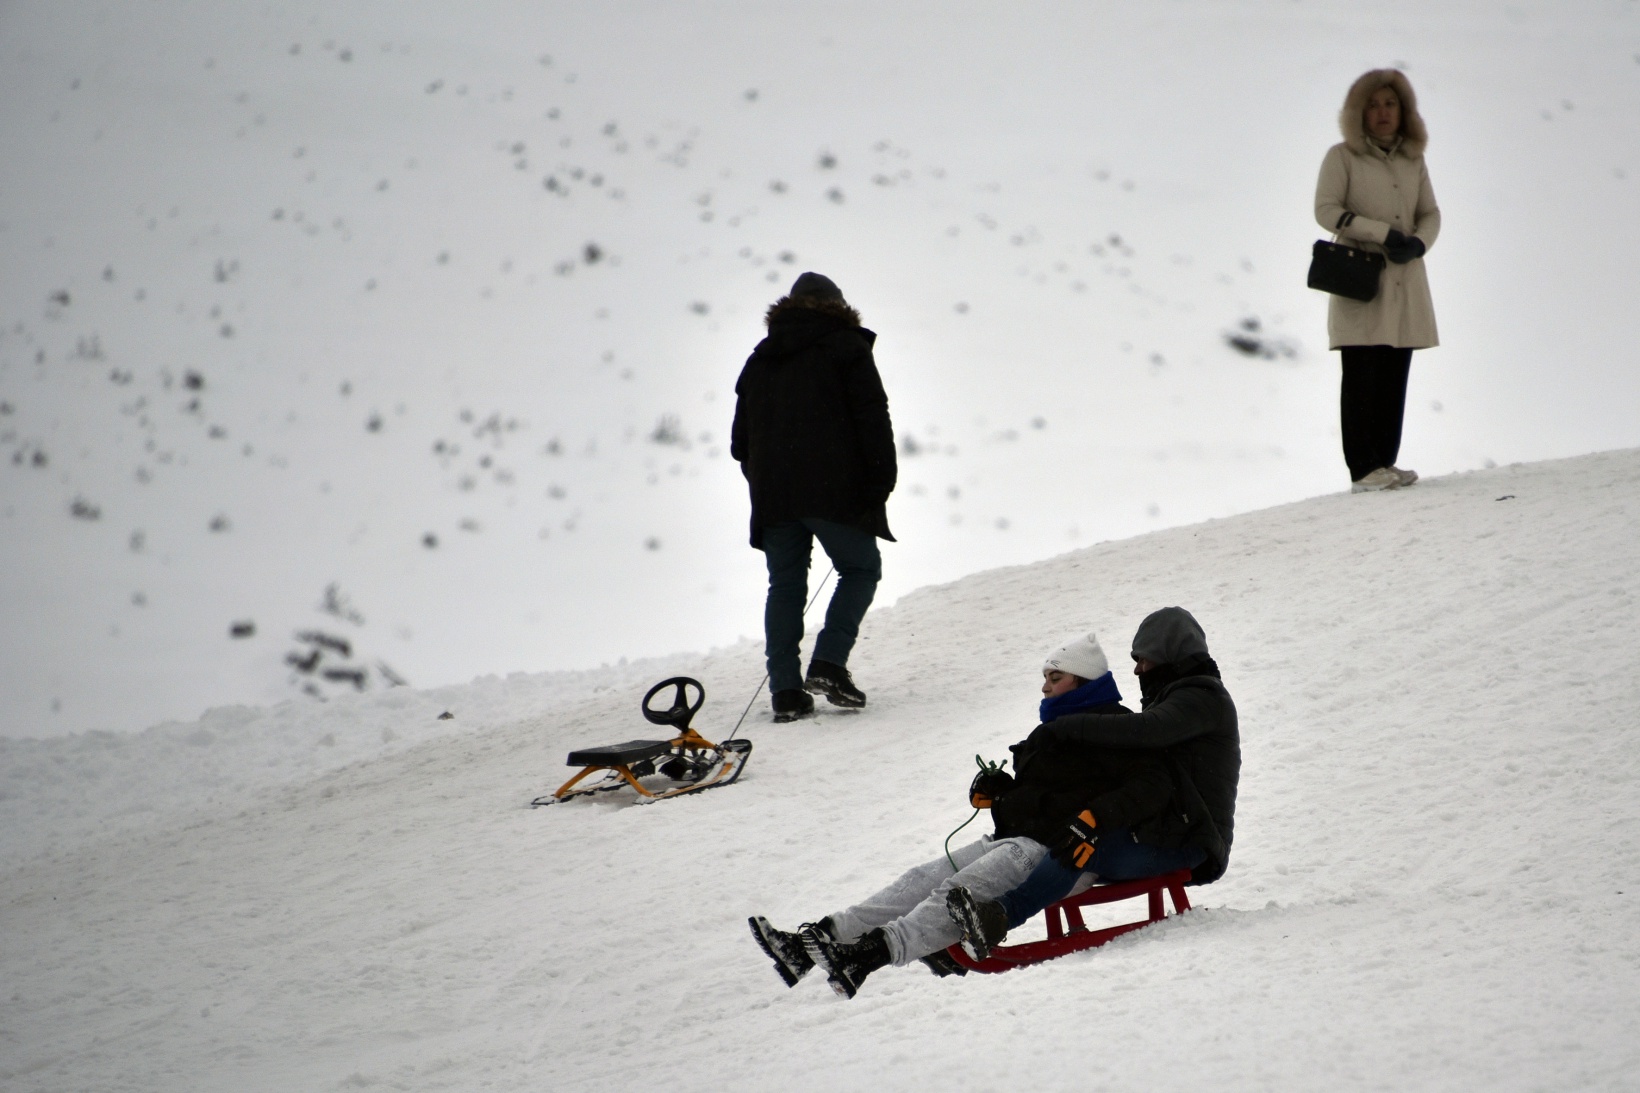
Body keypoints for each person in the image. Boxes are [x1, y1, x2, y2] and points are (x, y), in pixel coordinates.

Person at [748, 631, 1182, 998]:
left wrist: (1092, 819)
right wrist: (1001, 793)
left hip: (1058, 852)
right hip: (1017, 839)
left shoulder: (1113, 727)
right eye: (1045, 678)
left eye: (1056, 678)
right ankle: (815, 942)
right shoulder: (1053, 730)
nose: (1045, 688)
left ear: (1083, 682)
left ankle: (866, 957)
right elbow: (1049, 793)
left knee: (958, 890)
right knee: (920, 879)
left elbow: (1146, 787)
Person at [946, 606, 1240, 961]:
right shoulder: (1175, 699)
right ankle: (956, 930)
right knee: (1076, 831)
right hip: (1162, 832)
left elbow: (1146, 730)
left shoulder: (1203, 698)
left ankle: (1000, 917)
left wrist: (1064, 728)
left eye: (1144, 659)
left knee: (1084, 841)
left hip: (1190, 843)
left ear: (1169, 654)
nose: (1137, 669)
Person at [730, 272, 897, 723]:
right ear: (837, 306)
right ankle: (828, 665)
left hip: (773, 497)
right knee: (860, 569)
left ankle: (785, 691)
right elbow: (872, 417)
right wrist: (880, 481)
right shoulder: (847, 347)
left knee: (784, 586)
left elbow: (739, 443)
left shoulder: (759, 359)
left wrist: (766, 478)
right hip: (834, 489)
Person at [1314, 69, 1442, 494]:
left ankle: (1385, 461)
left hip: (1405, 280)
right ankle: (1363, 469)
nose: (1383, 112)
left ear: (1404, 111)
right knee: (1362, 373)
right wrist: (1381, 233)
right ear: (1358, 112)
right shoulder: (1342, 157)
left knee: (1394, 372)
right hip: (1362, 280)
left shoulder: (1413, 160)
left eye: (1390, 104)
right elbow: (1326, 210)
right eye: (1372, 105)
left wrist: (1419, 243)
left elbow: (1430, 212)